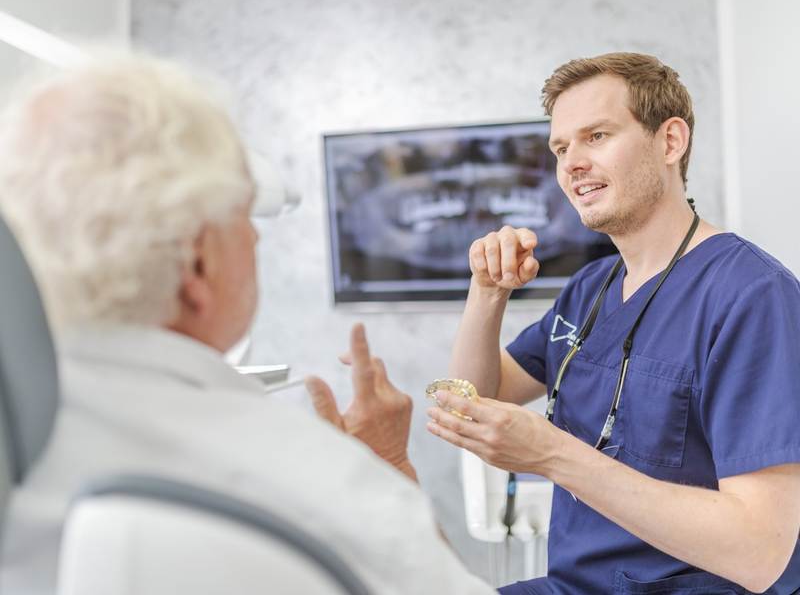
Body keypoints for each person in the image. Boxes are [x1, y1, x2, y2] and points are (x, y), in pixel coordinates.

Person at [0, 53, 497, 595]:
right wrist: (389, 465)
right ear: (197, 261)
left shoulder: (25, 442)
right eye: (244, 218)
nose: (258, 238)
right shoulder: (322, 480)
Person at [426, 52, 800, 594]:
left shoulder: (752, 296)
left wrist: (553, 455)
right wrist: (486, 292)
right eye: (560, 147)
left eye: (596, 136)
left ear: (671, 142)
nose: (571, 163)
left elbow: (761, 550)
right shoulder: (590, 287)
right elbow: (476, 400)